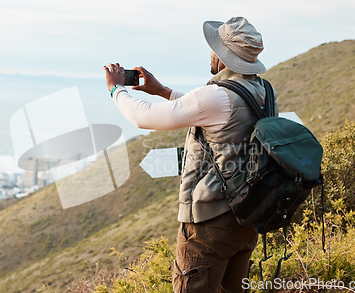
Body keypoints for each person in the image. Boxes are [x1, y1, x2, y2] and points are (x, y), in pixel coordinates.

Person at [104, 16, 277, 292]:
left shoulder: (216, 96)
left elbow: (143, 117)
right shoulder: (265, 91)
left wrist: (116, 89)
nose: (210, 53)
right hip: (247, 216)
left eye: (214, 48)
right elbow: (219, 113)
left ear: (223, 56)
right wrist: (162, 91)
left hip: (210, 222)